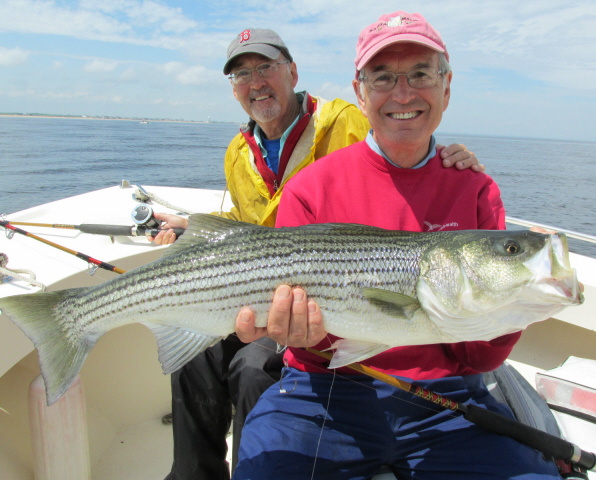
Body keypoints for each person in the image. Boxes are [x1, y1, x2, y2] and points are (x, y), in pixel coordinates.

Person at [233, 12, 563, 480]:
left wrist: (519, 306)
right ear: (360, 90)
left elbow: (478, 358)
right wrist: (300, 335)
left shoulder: (475, 189)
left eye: (421, 74)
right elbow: (310, 354)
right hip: (323, 393)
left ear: (446, 87)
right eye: (384, 77)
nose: (403, 94)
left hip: (448, 400)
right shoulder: (309, 188)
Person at [157, 27, 483, 480]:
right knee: (194, 358)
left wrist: (452, 159)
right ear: (233, 90)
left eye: (266, 68)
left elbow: (397, 138)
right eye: (242, 75)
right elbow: (242, 217)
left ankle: (257, 461)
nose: (256, 83)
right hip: (256, 279)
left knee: (253, 368)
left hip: (321, 285)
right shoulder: (238, 150)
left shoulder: (343, 120)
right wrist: (192, 228)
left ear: (292, 72)